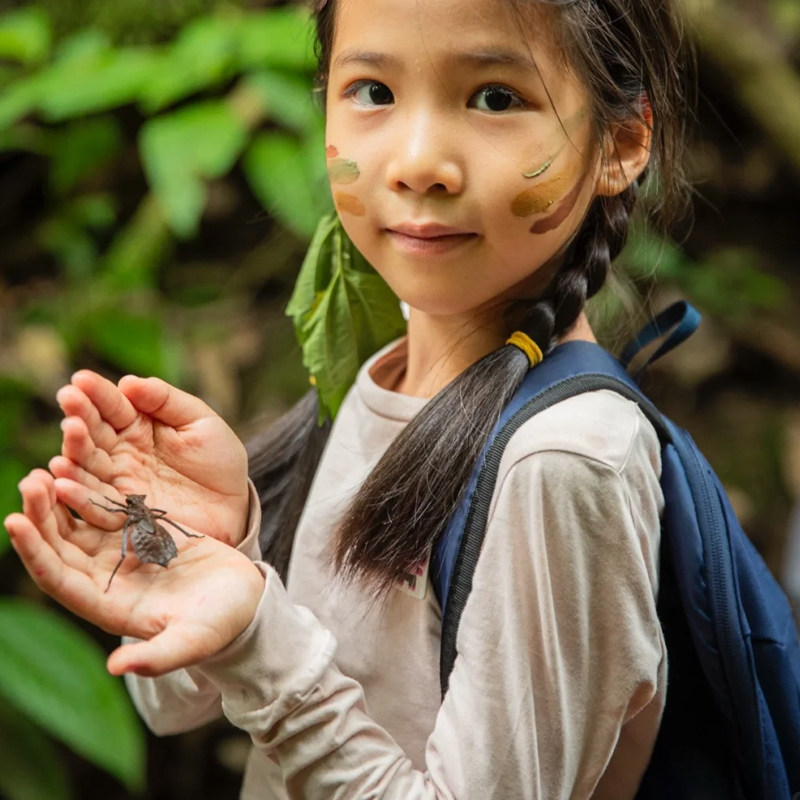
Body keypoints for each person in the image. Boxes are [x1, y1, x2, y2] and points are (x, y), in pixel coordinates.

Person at [4, 0, 694, 796]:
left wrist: (261, 633)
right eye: (372, 91)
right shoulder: (371, 367)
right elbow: (176, 708)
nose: (417, 160)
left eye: (496, 98)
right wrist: (217, 558)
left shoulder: (563, 462)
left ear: (622, 142)